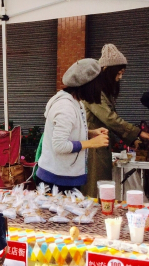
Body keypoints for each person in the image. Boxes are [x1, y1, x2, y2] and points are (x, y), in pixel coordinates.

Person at [81, 44, 149, 197]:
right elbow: (110, 119)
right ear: (106, 70)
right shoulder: (94, 91)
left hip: (100, 147)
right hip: (93, 150)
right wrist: (139, 133)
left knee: (101, 190)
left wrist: (132, 140)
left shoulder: (103, 92)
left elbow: (110, 120)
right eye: (118, 73)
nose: (120, 77)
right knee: (94, 191)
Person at [36, 59, 110, 193]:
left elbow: (69, 131)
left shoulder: (76, 102)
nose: (101, 89)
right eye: (99, 85)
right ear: (88, 84)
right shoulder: (65, 107)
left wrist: (90, 132)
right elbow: (59, 145)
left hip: (66, 177)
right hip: (56, 180)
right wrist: (91, 143)